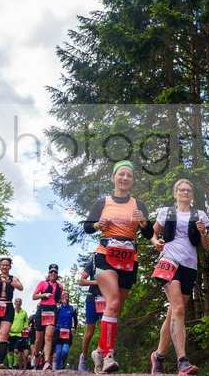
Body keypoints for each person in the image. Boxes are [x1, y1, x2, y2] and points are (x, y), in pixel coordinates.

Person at [84, 160, 154, 373]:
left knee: (115, 308)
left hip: (129, 259)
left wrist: (144, 222)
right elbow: (87, 227)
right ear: (113, 177)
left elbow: (149, 234)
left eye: (129, 175)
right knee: (113, 302)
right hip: (104, 255)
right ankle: (108, 355)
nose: (125, 178)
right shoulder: (102, 202)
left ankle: (98, 351)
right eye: (121, 174)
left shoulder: (139, 204)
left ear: (132, 180)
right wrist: (97, 224)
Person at [149, 179, 209, 375]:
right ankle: (182, 361)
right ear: (175, 194)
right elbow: (152, 233)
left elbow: (207, 246)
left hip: (189, 265)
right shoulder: (166, 212)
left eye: (189, 190)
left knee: (173, 313)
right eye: (182, 190)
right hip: (168, 260)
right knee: (178, 308)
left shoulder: (200, 215)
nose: (185, 193)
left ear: (192, 195)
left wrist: (204, 232)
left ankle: (158, 357)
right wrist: (156, 243)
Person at [31, 264, 64, 370]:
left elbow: (57, 299)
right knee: (38, 340)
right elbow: (34, 296)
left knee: (48, 337)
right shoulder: (43, 283)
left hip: (52, 311)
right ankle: (36, 355)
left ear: (57, 274)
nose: (53, 273)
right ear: (48, 273)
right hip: (42, 310)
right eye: (51, 272)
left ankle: (46, 362)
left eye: (55, 272)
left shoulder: (60, 286)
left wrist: (62, 301)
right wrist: (44, 295)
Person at [77, 253, 105, 372]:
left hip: (106, 299)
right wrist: (97, 282)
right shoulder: (94, 261)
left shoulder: (113, 261)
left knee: (106, 329)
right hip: (92, 299)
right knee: (89, 333)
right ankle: (83, 357)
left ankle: (101, 357)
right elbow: (81, 281)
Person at [53, 291, 78, 370]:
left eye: (68, 296)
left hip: (67, 331)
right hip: (58, 330)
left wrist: (74, 328)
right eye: (65, 296)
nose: (66, 298)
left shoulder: (72, 308)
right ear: (61, 298)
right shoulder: (58, 308)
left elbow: (75, 319)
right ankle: (57, 370)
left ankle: (62, 364)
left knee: (65, 351)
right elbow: (54, 318)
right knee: (58, 352)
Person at [7, 297, 30, 369]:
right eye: (17, 301)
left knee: (16, 350)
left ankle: (14, 364)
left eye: (19, 301)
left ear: (21, 303)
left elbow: (26, 321)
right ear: (14, 303)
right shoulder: (11, 311)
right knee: (10, 352)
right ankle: (10, 366)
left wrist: (25, 326)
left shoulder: (24, 312)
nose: (18, 303)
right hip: (11, 333)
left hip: (19, 334)